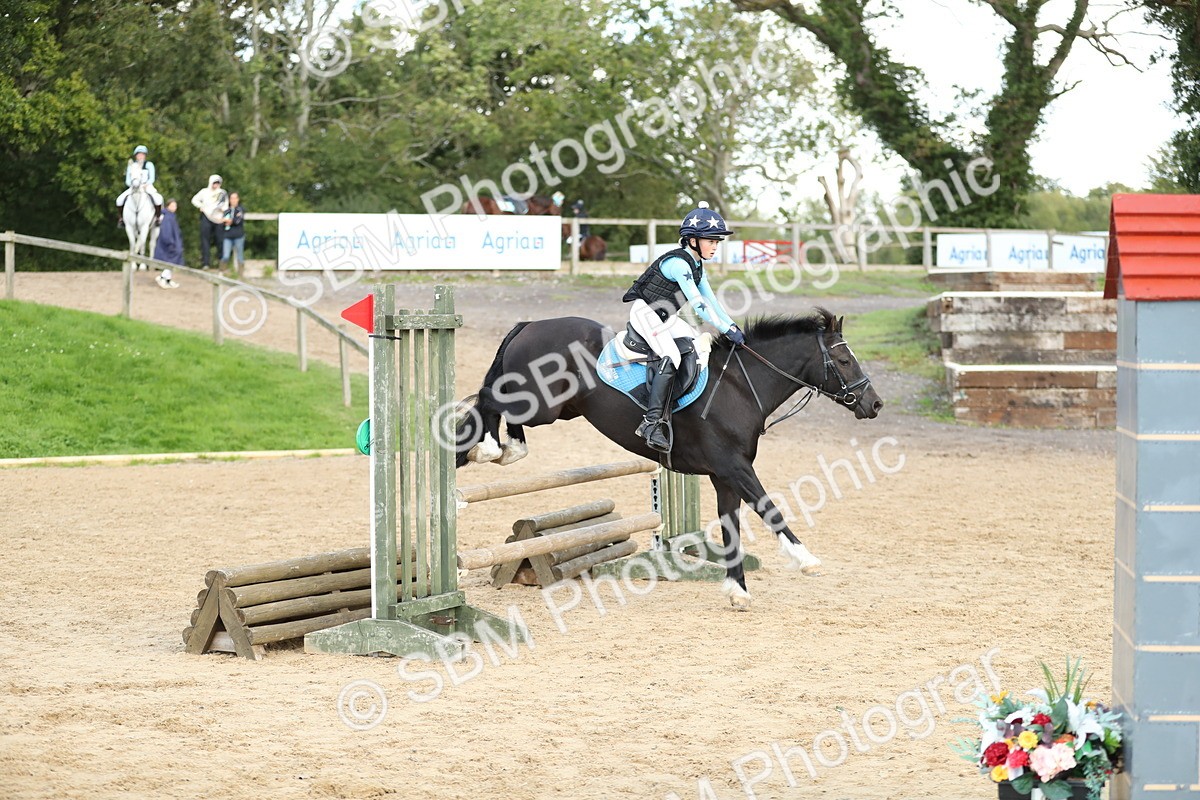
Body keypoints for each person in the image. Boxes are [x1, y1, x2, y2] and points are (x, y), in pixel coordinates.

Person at [622, 203, 744, 452]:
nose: (715, 246)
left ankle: (683, 407)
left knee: (698, 343)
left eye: (717, 241)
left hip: (666, 317)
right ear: (691, 240)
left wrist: (731, 325)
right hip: (646, 315)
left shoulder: (697, 265)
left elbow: (711, 300)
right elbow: (699, 306)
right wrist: (724, 329)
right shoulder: (679, 264)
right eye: (710, 240)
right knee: (672, 355)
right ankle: (651, 422)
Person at [115, 145, 163, 226]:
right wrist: (132, 185)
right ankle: (121, 219)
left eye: (142, 154)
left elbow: (152, 178)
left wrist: (146, 184)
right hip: (134, 187)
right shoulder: (131, 166)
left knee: (158, 199)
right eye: (139, 154)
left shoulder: (149, 165)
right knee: (119, 200)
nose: (141, 156)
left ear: (145, 155)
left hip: (146, 187)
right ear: (136, 155)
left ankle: (157, 218)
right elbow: (128, 180)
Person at [191, 175, 228, 268]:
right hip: (206, 217)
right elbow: (194, 200)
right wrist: (201, 206)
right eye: (214, 183)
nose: (216, 185)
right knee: (205, 240)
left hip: (218, 219)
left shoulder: (222, 193)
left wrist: (223, 212)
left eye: (218, 183)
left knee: (220, 240)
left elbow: (225, 206)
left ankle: (221, 262)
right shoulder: (204, 192)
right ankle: (206, 263)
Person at [220, 191, 246, 276]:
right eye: (232, 198)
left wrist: (230, 221)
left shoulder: (241, 209)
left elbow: (238, 220)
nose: (233, 200)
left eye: (235, 198)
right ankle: (222, 273)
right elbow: (222, 221)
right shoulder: (226, 210)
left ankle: (240, 275)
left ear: (238, 199)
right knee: (226, 256)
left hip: (238, 236)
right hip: (228, 236)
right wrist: (228, 221)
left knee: (240, 257)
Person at [153, 198, 184, 266]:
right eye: (172, 206)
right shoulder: (167, 217)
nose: (175, 208)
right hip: (169, 246)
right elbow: (166, 232)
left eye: (175, 206)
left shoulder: (171, 216)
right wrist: (171, 244)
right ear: (168, 206)